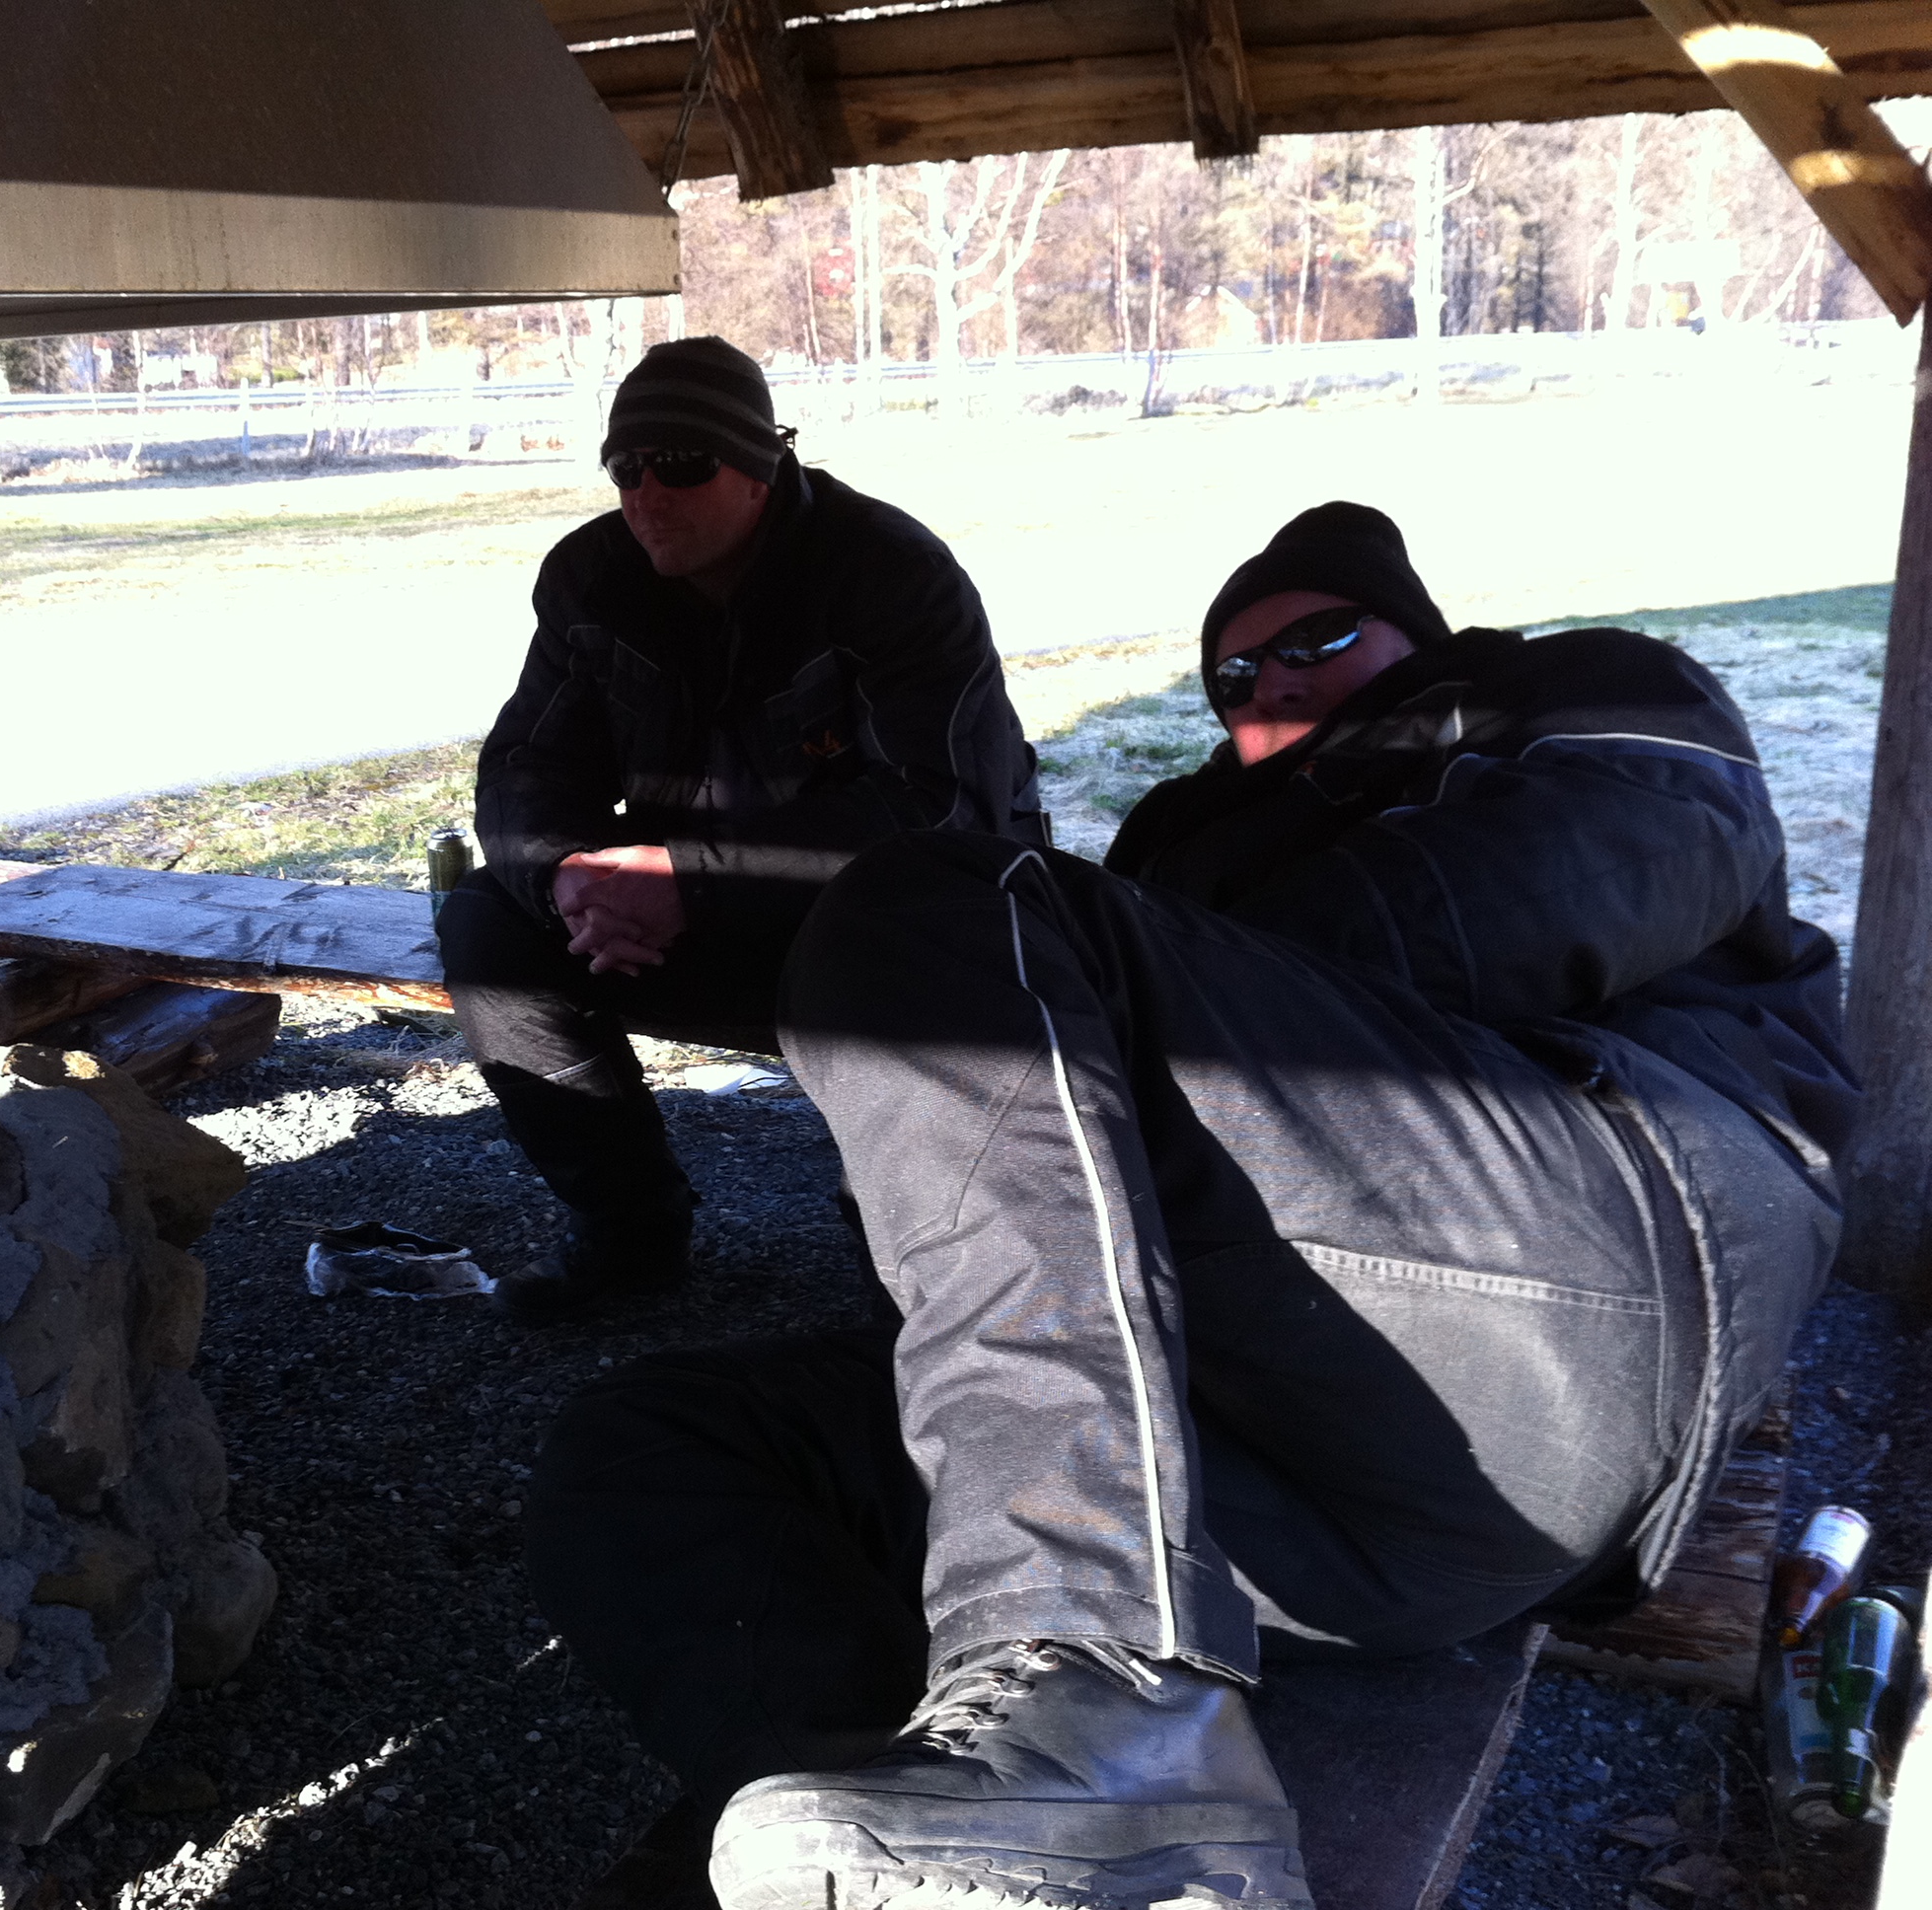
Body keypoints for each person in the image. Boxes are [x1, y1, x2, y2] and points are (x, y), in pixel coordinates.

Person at [525, 503, 1852, 1909]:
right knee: (649, 1446)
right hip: (1279, 1485)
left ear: (1414, 633)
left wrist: (1132, 994)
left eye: (1318, 638)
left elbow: (1569, 885)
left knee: (925, 907)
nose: (1270, 681)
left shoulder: (1578, 695)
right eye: (1233, 672)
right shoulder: (1183, 830)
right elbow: (1024, 1167)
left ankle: (1111, 1694)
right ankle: (937, 1841)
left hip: (1589, 1269)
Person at [438, 336, 1042, 1326]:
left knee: (896, 954)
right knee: (487, 925)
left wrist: (694, 880)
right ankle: (630, 1232)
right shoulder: (592, 577)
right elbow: (527, 767)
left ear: (760, 465)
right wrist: (571, 878)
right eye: (624, 468)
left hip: (889, 924)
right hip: (688, 915)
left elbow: (940, 809)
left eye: (680, 464)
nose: (646, 495)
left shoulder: (890, 573)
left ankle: (923, 1288)